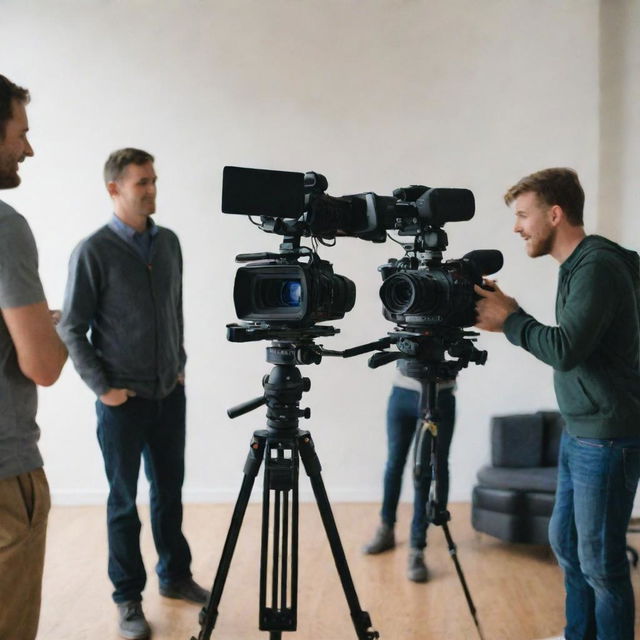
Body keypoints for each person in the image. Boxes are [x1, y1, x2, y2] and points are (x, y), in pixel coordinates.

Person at [475, 167, 640, 640]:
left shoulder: (597, 266)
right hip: (581, 430)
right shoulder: (581, 265)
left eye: (523, 215)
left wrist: (511, 319)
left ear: (555, 213)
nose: (516, 227)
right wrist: (511, 315)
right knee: (566, 543)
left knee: (602, 564)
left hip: (606, 439)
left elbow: (566, 349)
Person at [58, 148, 207, 640]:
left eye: (154, 180)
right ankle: (128, 599)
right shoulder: (93, 251)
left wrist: (179, 367)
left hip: (169, 394)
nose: (151, 190)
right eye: (141, 182)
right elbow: (73, 328)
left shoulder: (169, 244)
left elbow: (175, 309)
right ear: (114, 189)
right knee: (123, 502)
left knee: (169, 493)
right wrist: (105, 390)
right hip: (122, 403)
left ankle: (175, 575)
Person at [0, 74, 68, 639]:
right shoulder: (5, 226)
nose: (29, 148)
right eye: (20, 133)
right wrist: (60, 329)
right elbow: (42, 367)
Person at [363, 368, 456, 582]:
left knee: (426, 471)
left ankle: (417, 547)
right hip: (402, 391)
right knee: (394, 463)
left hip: (439, 395)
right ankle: (386, 528)